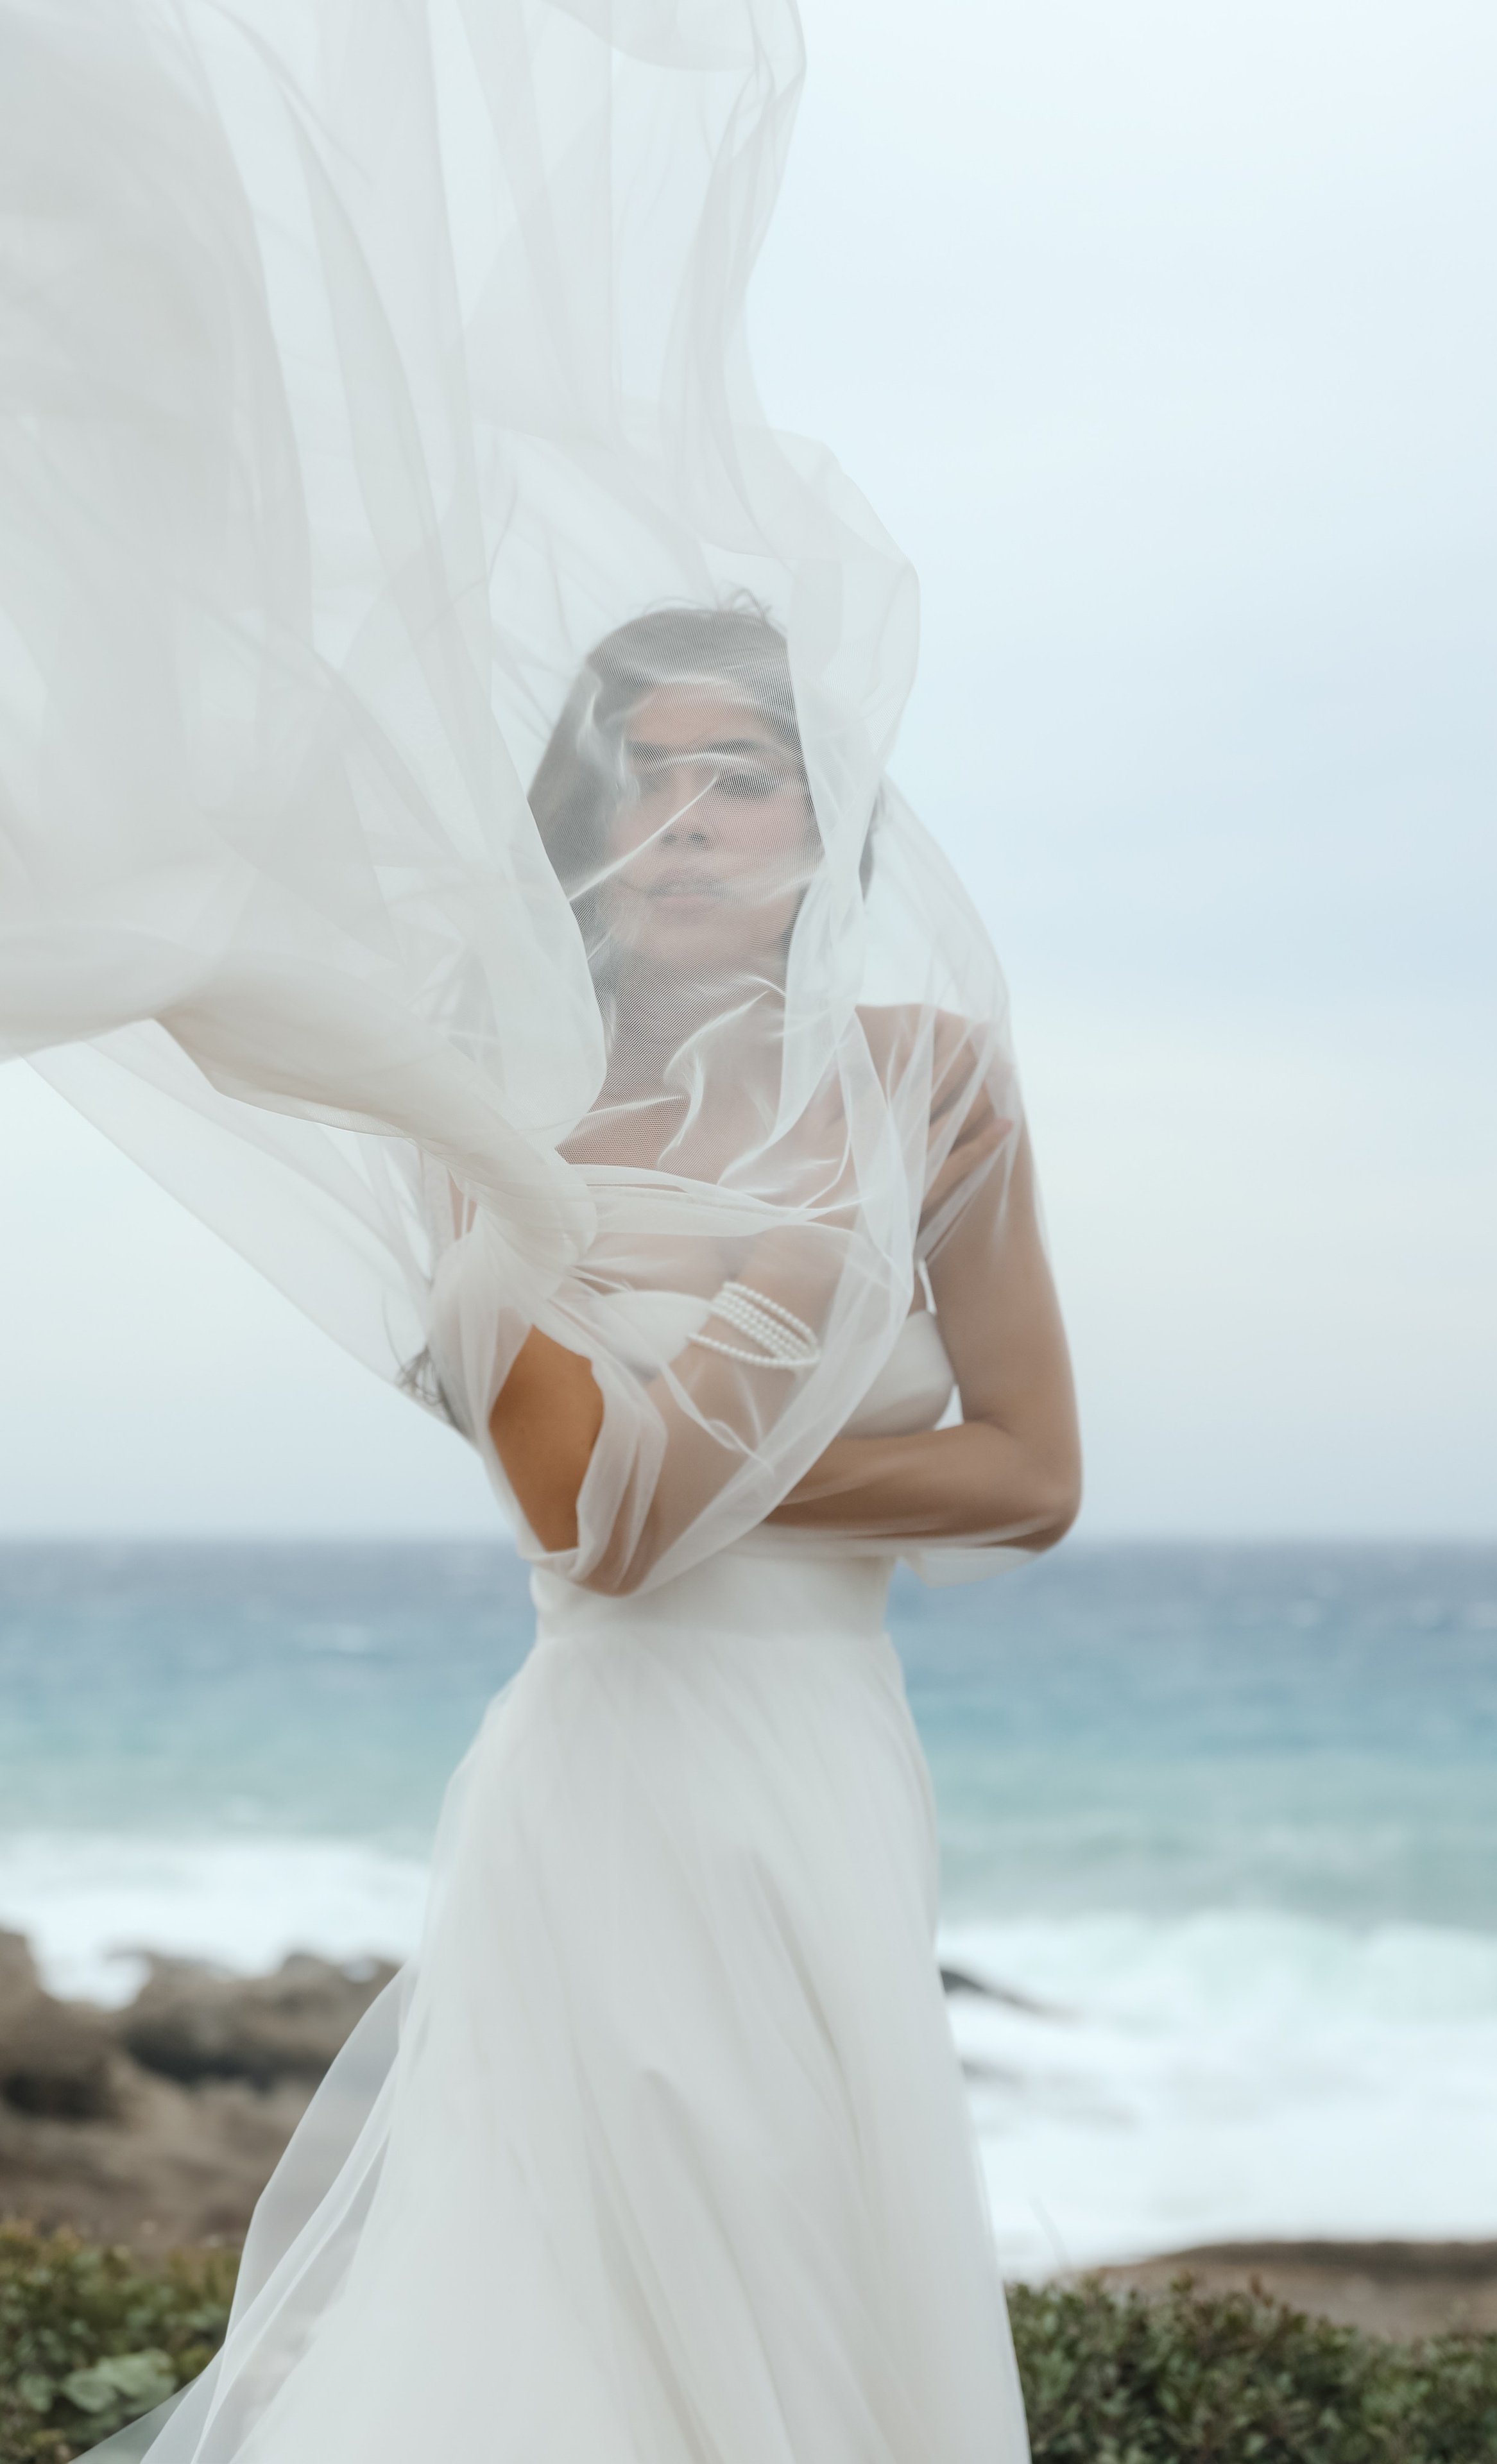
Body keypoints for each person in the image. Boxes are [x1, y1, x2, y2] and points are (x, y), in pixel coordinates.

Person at [2, 3, 1079, 2456]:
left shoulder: (929, 1084)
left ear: (823, 830)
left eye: (749, 778)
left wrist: (716, 1463)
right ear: (573, 821)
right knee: (569, 2304)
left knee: (828, 2273)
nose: (694, 818)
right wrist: (707, 1442)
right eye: (646, 776)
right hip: (608, 1778)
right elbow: (570, 1523)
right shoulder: (470, 1121)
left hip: (822, 1754)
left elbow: (1030, 1474)